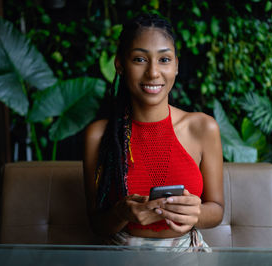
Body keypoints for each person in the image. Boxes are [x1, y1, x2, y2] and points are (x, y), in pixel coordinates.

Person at [83, 13, 224, 250]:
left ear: (176, 65)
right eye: (139, 59)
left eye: (164, 59)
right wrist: (121, 213)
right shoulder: (99, 136)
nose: (153, 73)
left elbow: (217, 209)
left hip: (185, 253)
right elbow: (97, 224)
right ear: (119, 65)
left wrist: (194, 213)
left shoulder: (202, 128)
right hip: (121, 254)